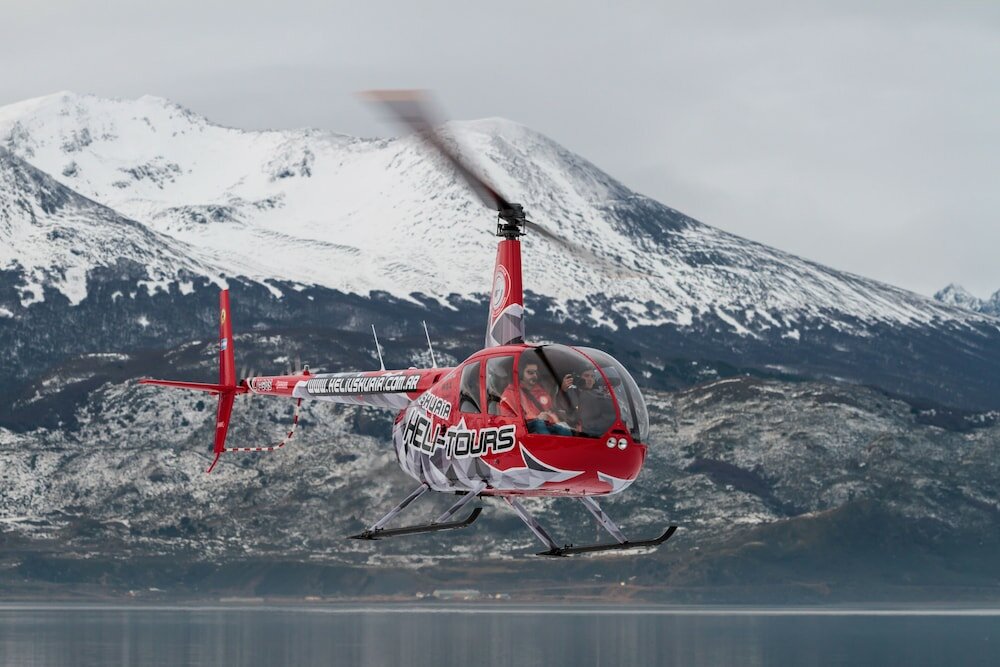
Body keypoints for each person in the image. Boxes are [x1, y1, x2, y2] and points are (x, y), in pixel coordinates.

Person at [501, 361, 573, 435]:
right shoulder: (509, 394)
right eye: (530, 373)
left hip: (546, 425)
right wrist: (536, 418)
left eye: (536, 373)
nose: (534, 376)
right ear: (520, 374)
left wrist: (552, 415)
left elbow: (551, 409)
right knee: (539, 424)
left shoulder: (541, 392)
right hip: (525, 430)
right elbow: (508, 422)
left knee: (565, 430)